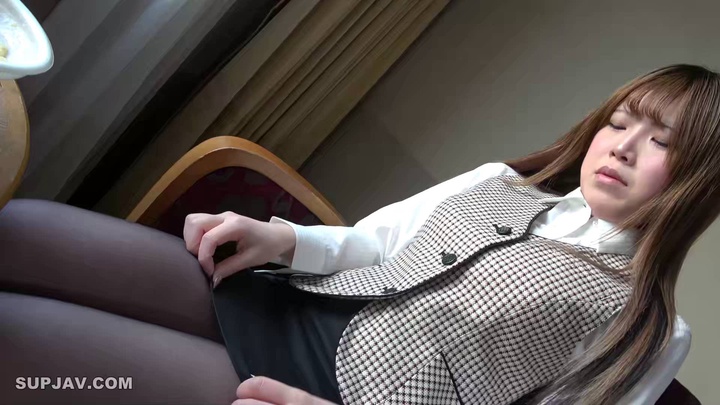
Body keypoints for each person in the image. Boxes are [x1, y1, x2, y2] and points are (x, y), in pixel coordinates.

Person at [0, 64, 717, 405]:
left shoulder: (649, 325)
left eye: (661, 141)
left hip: (324, 393)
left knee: (22, 338)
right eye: (618, 121)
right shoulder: (502, 181)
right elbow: (375, 243)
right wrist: (283, 241)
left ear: (699, 179)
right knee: (25, 228)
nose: (622, 146)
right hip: (296, 300)